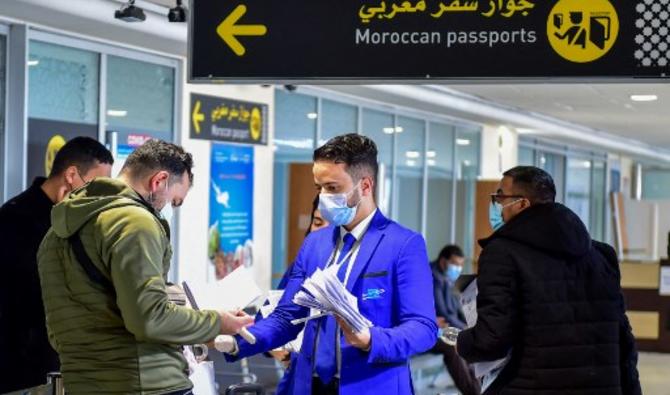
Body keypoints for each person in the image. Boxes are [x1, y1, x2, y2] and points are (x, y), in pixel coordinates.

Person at [221, 133, 437, 395]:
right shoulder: (315, 243)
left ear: (365, 186)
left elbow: (423, 328)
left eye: (333, 188)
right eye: (319, 187)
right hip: (310, 385)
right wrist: (237, 341)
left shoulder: (403, 244)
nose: (324, 196)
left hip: (371, 385)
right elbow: (287, 317)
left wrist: (371, 339)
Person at [37, 139, 253, 395]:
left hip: (82, 383)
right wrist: (218, 322)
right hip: (146, 383)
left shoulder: (53, 236)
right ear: (158, 181)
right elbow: (150, 319)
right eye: (174, 201)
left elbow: (57, 330)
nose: (168, 209)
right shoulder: (136, 223)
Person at [456, 166, 641, 395]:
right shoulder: (601, 255)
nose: (495, 205)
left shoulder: (501, 253)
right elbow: (624, 341)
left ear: (522, 204)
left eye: (500, 196)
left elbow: (492, 340)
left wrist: (462, 341)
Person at [0, 136, 114, 393]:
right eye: (96, 185)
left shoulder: (74, 221)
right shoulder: (15, 219)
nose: (99, 196)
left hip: (60, 357)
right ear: (71, 175)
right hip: (22, 365)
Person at [269, 194, 330, 395]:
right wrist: (276, 349)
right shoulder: (299, 267)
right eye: (317, 222)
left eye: (330, 226)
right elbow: (274, 315)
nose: (321, 232)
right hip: (299, 378)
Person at [430, 245, 480, 395]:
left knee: (469, 339)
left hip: (446, 328)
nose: (458, 268)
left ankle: (479, 389)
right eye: (455, 264)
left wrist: (469, 326)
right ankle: (474, 392)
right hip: (434, 330)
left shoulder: (447, 278)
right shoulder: (432, 278)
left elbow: (456, 309)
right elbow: (443, 313)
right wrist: (464, 328)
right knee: (455, 343)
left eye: (460, 265)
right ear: (443, 262)